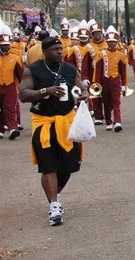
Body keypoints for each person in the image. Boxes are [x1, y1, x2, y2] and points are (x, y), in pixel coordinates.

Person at [18, 36, 88, 225]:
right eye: (55, 49)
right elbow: (23, 95)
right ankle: (54, 205)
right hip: (44, 124)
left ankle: (54, 196)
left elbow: (81, 88)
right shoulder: (33, 70)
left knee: (69, 166)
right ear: (45, 51)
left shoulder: (70, 69)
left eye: (60, 48)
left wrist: (83, 94)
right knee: (48, 165)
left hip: (67, 123)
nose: (59, 52)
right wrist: (44, 91)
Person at [93, 26, 128, 132]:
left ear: (117, 42)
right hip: (104, 80)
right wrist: (96, 84)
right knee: (106, 102)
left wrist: (124, 84)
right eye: (109, 41)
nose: (111, 43)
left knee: (116, 102)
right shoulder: (101, 54)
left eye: (113, 41)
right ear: (107, 42)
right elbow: (97, 70)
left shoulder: (121, 55)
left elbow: (123, 71)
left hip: (115, 80)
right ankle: (108, 122)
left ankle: (117, 121)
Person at [0, 25, 24, 140]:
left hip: (10, 86)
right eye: (3, 46)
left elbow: (21, 75)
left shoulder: (15, 58)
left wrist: (24, 87)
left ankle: (12, 128)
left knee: (10, 108)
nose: (5, 48)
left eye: (7, 45)